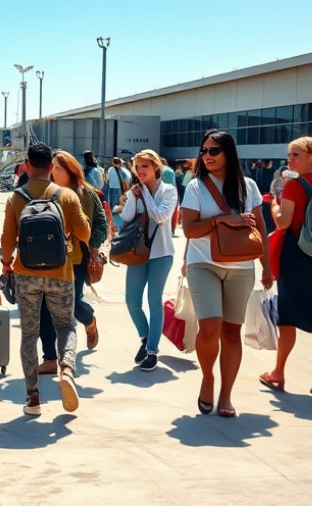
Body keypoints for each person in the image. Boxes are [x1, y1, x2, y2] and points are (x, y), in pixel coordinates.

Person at [180, 129, 271, 417]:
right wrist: (224, 219)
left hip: (242, 267)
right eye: (203, 151)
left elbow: (260, 228)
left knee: (232, 333)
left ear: (228, 153)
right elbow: (190, 230)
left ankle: (227, 396)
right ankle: (208, 377)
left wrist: (267, 265)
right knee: (210, 327)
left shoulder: (249, 186)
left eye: (213, 151)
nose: (206, 156)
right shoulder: (196, 187)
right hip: (203, 263)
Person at [1, 143, 91, 416]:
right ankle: (66, 370)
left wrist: (7, 265)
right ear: (51, 168)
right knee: (66, 326)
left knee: (29, 336)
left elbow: (6, 241)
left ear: (28, 166)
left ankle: (33, 398)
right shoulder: (66, 196)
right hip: (60, 274)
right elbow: (86, 233)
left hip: (26, 274)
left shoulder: (16, 198)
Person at [260, 136, 312, 399]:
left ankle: (278, 372)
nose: (290, 159)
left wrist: (274, 205)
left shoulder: (293, 186)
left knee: (288, 316)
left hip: (295, 254)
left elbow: (283, 223)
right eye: (289, 154)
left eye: (296, 154)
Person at [38, 150, 108, 374]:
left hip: (76, 258)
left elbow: (101, 223)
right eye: (52, 167)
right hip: (48, 259)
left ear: (70, 171)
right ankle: (49, 357)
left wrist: (94, 246)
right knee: (45, 307)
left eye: (58, 168)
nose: (53, 172)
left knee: (71, 304)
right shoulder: (46, 192)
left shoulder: (87, 194)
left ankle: (89, 320)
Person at [120, 150, 178, 371]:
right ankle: (145, 339)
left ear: (156, 167)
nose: (141, 170)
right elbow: (126, 217)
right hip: (137, 253)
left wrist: (144, 194)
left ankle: (152, 350)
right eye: (138, 166)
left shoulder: (169, 191)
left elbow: (161, 217)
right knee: (132, 301)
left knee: (154, 302)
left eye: (145, 166)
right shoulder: (136, 190)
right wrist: (134, 196)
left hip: (161, 254)